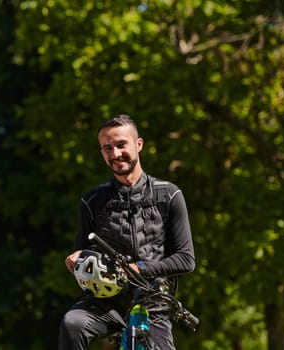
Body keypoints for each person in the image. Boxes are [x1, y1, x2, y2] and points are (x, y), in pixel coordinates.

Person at [59, 115, 195, 350]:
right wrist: (78, 257)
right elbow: (83, 249)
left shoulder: (170, 195)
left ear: (138, 144)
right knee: (72, 323)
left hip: (153, 304)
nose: (115, 154)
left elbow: (186, 259)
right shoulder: (91, 201)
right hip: (105, 304)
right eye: (107, 148)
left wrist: (138, 268)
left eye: (121, 145)